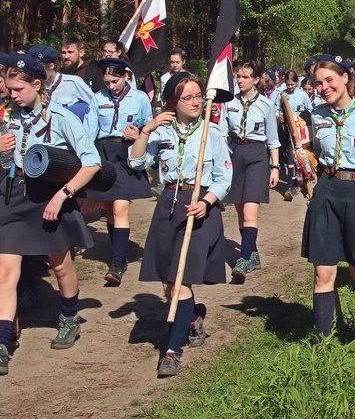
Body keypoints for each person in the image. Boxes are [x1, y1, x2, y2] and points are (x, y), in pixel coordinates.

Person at [0, 54, 101, 375]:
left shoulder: (61, 117)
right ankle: (3, 341)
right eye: (8, 88)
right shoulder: (4, 117)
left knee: (60, 266)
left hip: (51, 197)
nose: (11, 94)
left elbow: (91, 161)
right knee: (5, 272)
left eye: (17, 88)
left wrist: (63, 195)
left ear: (36, 84)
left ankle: (70, 316)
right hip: (13, 197)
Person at [129, 72, 232, 377]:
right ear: (173, 101)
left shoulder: (211, 134)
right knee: (168, 281)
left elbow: (224, 177)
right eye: (188, 97)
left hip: (200, 210)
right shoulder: (161, 132)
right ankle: (193, 318)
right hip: (169, 205)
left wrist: (206, 202)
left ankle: (172, 351)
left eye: (199, 95)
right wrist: (147, 130)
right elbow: (135, 162)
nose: (196, 102)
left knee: (179, 282)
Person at [301, 55, 355, 341]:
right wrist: (304, 161)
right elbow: (316, 155)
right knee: (323, 269)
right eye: (318, 82)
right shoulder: (317, 115)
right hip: (328, 190)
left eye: (330, 80)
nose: (325, 87)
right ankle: (323, 337)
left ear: (345, 79)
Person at [83, 58, 153, 285]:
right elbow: (89, 131)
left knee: (121, 205)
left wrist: (139, 134)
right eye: (107, 82)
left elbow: (150, 127)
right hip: (104, 153)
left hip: (127, 152)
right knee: (111, 207)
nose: (111, 86)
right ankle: (118, 255)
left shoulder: (140, 99)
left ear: (126, 77)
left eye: (115, 81)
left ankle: (116, 262)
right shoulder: (98, 98)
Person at [223, 61, 280, 282]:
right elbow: (222, 133)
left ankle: (244, 258)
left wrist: (274, 167)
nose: (240, 80)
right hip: (235, 152)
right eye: (238, 76)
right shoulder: (230, 103)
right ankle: (252, 252)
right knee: (239, 210)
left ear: (256, 79)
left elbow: (273, 141)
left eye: (245, 77)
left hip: (257, 154)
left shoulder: (266, 106)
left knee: (249, 212)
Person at [274, 70, 313, 201]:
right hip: (284, 128)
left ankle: (291, 186)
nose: (290, 87)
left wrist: (301, 119)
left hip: (297, 130)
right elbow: (275, 109)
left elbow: (310, 111)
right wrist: (278, 116)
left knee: (293, 154)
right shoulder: (281, 94)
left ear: (296, 83)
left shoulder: (302, 95)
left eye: (292, 84)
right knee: (285, 154)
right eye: (288, 84)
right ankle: (294, 180)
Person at [28, 45, 93, 120]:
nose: (36, 74)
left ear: (51, 66)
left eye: (40, 69)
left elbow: (95, 105)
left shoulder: (73, 82)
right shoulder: (34, 87)